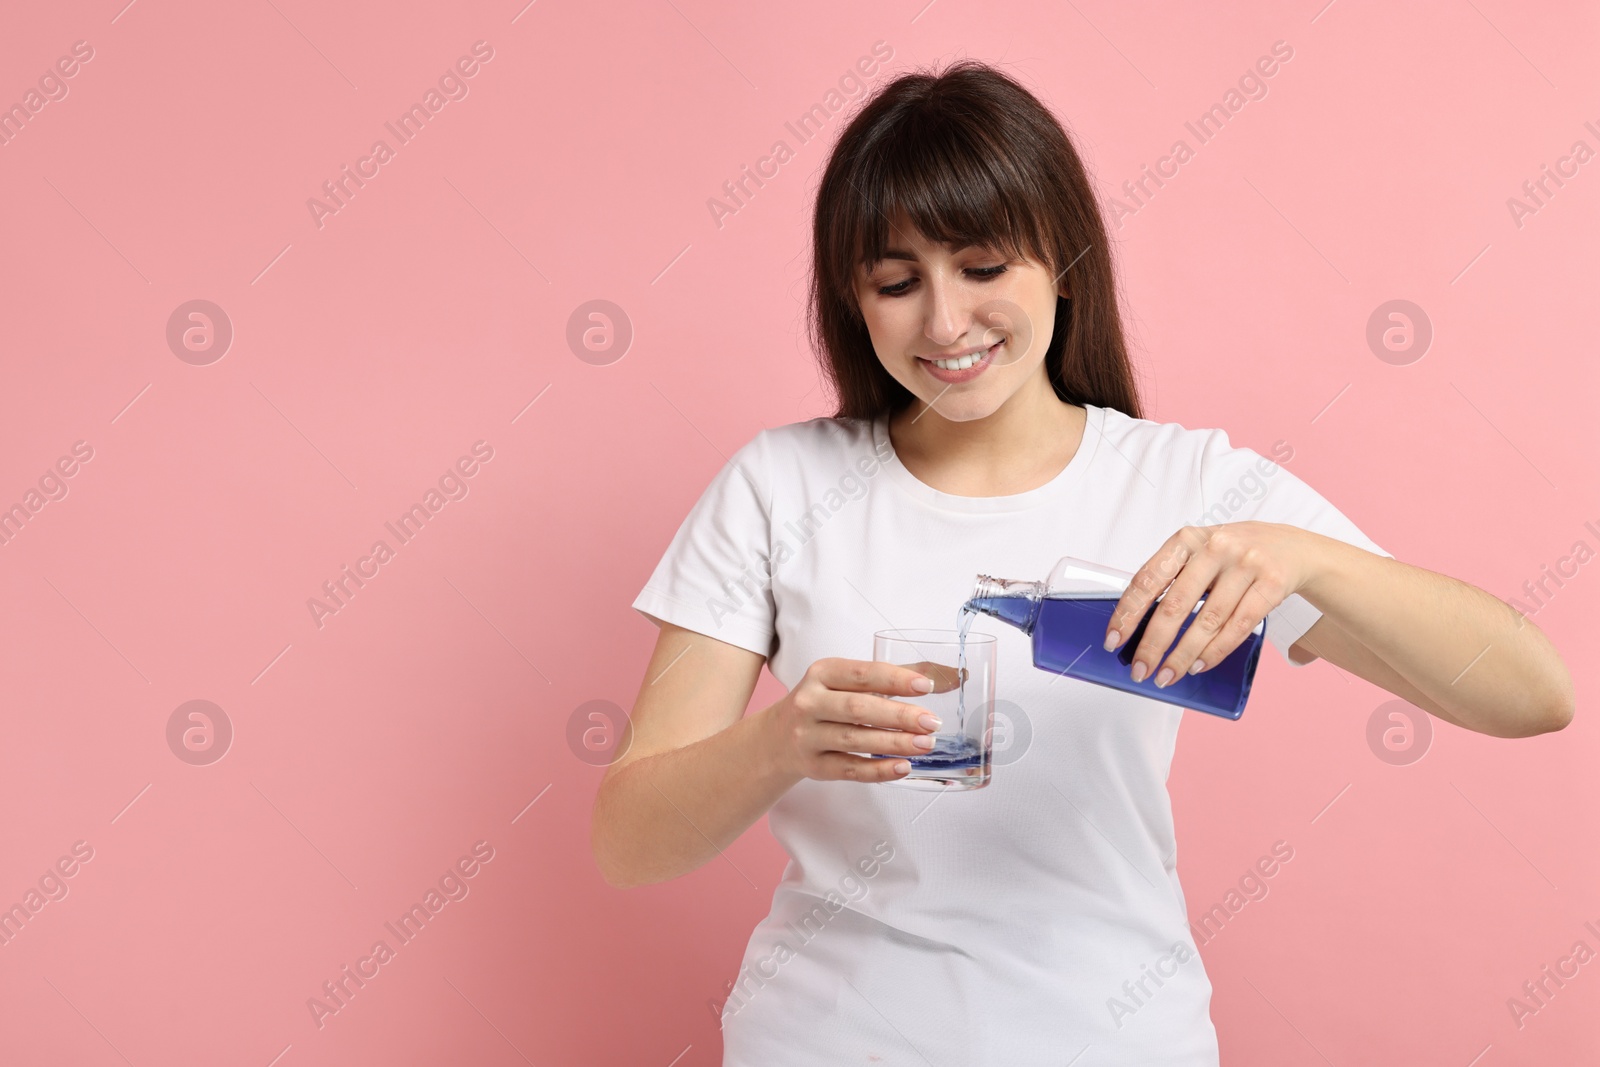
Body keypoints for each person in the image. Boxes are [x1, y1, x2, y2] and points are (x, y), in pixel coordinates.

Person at [590, 59, 1573, 1066]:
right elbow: (627, 840)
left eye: (981, 268)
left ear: (1060, 260)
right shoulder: (779, 486)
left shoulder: (1185, 486)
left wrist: (1300, 558)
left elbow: (1532, 692)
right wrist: (779, 743)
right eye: (896, 281)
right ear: (853, 297)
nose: (943, 322)